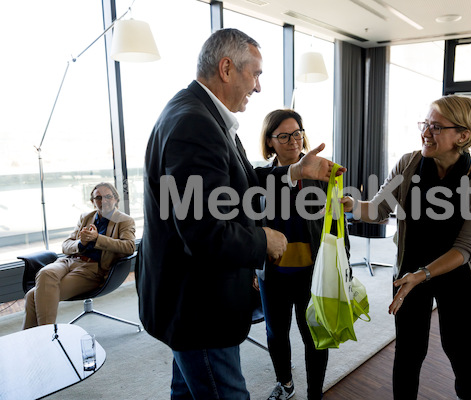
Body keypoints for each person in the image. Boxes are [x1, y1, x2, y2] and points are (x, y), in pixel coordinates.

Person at [137, 29, 343, 400]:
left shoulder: (202, 115)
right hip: (199, 308)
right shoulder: (194, 124)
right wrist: (264, 239)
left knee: (187, 393)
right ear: (227, 68)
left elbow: (245, 179)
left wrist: (295, 171)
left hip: (190, 303)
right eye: (257, 74)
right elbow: (204, 230)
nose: (259, 87)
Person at [341, 95, 471, 400]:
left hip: (457, 275)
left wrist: (423, 274)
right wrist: (349, 206)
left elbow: (466, 247)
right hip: (408, 273)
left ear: (463, 136)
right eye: (425, 124)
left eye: (436, 127)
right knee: (409, 352)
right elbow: (378, 210)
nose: (426, 132)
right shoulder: (409, 163)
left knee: (457, 347)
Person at [255, 109, 350, 400]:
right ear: (270, 141)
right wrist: (250, 268)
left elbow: (337, 224)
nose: (293, 140)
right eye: (283, 135)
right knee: (276, 334)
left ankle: (314, 393)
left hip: (313, 271)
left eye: (297, 133)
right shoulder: (259, 178)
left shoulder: (323, 173)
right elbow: (250, 224)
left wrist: (344, 264)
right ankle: (285, 384)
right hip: (274, 273)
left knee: (314, 337)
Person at [23, 182, 135, 329]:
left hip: (92, 269)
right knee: (45, 272)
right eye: (98, 197)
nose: (104, 201)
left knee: (33, 296)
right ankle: (39, 338)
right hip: (69, 261)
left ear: (115, 198)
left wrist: (97, 238)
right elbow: (65, 245)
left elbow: (129, 247)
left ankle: (45, 336)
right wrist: (80, 243)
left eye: (108, 196)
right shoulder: (85, 217)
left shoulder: (124, 220)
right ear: (93, 201)